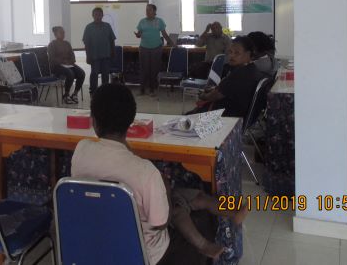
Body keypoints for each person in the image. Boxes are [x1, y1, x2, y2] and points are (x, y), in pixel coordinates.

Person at [72, 84, 247, 264]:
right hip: (145, 254)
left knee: (191, 197)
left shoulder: (80, 151)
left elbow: (115, 163)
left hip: (97, 241)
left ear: (93, 121)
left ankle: (230, 212)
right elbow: (161, 223)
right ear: (131, 122)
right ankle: (213, 232)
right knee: (184, 202)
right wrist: (166, 189)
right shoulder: (146, 172)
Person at [187, 36, 266, 117]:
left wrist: (202, 95)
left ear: (248, 54)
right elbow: (229, 90)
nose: (232, 55)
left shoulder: (239, 74)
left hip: (226, 117)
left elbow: (214, 96)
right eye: (230, 52)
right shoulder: (253, 69)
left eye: (237, 53)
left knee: (186, 118)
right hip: (241, 115)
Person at [134, 4, 174, 97]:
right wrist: (138, 35)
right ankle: (142, 89)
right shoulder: (142, 21)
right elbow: (139, 34)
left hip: (156, 48)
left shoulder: (159, 21)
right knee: (144, 69)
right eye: (146, 10)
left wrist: (173, 44)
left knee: (154, 69)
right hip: (144, 48)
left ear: (154, 11)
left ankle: (152, 89)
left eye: (149, 10)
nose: (147, 12)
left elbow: (164, 34)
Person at [82, 7, 116, 94]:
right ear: (92, 15)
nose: (98, 16)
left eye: (100, 14)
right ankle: (93, 91)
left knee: (105, 74)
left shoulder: (107, 26)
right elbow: (86, 43)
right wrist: (87, 56)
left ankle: (105, 91)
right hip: (94, 56)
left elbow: (112, 40)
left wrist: (113, 52)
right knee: (94, 73)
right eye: (96, 14)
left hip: (106, 55)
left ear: (102, 15)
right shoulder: (89, 27)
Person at [48, 26, 85, 104]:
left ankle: (74, 94)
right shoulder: (52, 45)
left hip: (69, 64)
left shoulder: (67, 43)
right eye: (61, 32)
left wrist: (70, 61)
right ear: (55, 34)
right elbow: (52, 58)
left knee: (82, 73)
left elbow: (72, 56)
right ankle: (66, 95)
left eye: (64, 32)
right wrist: (63, 62)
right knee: (70, 74)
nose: (63, 34)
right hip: (57, 66)